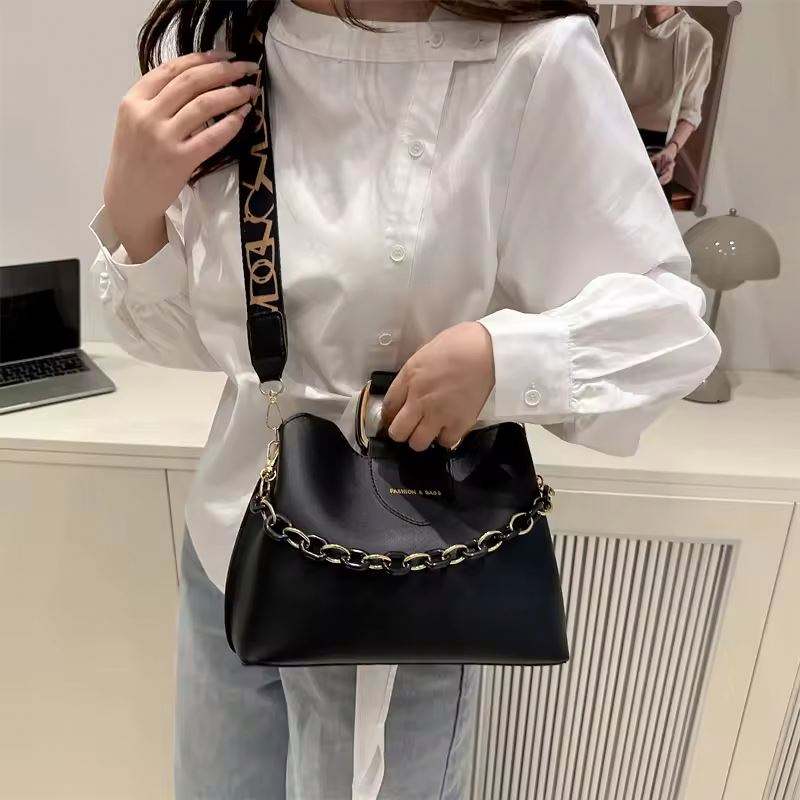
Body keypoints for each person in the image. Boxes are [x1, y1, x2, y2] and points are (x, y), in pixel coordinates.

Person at [87, 0, 722, 797]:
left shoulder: (534, 58)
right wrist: (135, 209)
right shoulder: (234, 45)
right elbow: (208, 338)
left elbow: (668, 323)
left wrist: (501, 359)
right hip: (230, 552)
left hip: (407, 572)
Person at [602, 5, 714, 202]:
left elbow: (691, 110)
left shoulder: (699, 40)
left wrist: (671, 151)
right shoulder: (617, 38)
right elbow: (604, 103)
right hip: (619, 141)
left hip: (662, 148)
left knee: (651, 216)